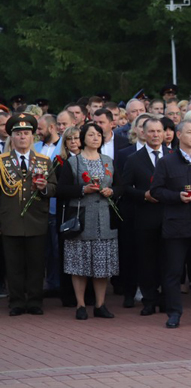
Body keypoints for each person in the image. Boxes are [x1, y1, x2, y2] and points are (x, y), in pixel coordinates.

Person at [149, 120, 191, 329]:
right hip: (176, 227)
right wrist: (176, 196)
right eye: (189, 132)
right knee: (173, 273)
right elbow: (156, 191)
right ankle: (174, 313)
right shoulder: (166, 162)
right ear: (178, 135)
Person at [56, 122, 119, 320]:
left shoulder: (108, 161)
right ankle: (81, 304)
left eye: (98, 135)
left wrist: (113, 191)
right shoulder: (73, 163)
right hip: (81, 218)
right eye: (91, 135)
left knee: (102, 266)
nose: (95, 138)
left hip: (104, 218)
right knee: (79, 264)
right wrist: (83, 190)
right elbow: (61, 190)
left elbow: (121, 185)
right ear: (83, 139)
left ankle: (100, 305)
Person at [0, 113, 54, 316]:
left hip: (36, 219)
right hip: (10, 219)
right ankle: (16, 302)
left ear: (33, 137)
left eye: (27, 133)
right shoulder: (1, 162)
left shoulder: (43, 161)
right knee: (13, 264)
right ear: (11, 137)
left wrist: (44, 187)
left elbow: (53, 188)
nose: (23, 137)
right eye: (18, 133)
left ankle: (34, 301)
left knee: (36, 263)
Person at [118, 118, 170, 316]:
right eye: (151, 132)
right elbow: (125, 188)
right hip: (144, 217)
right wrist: (144, 195)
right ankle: (149, 300)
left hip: (169, 218)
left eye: (159, 131)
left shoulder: (172, 156)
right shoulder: (134, 159)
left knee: (168, 261)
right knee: (147, 262)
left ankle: (167, 300)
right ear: (144, 134)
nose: (155, 135)